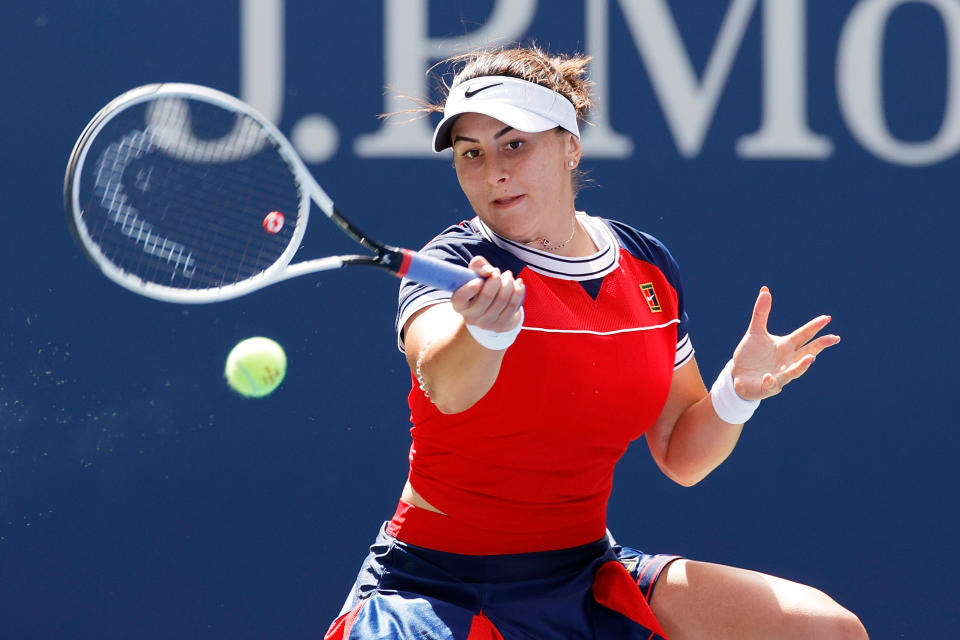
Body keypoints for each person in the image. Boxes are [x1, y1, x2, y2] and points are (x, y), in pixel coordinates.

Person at [325, 44, 868, 640]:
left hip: (583, 573)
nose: (494, 171)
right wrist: (483, 330)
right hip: (437, 585)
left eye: (515, 143)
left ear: (570, 146)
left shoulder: (646, 265)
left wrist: (736, 393)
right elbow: (445, 384)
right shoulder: (453, 263)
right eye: (470, 154)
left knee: (826, 629)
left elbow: (681, 455)